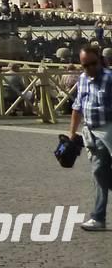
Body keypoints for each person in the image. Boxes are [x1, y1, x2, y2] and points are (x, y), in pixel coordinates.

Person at [67, 43, 112, 231]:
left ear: (100, 61)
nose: (90, 69)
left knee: (99, 171)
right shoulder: (83, 79)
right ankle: (98, 217)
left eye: (93, 64)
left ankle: (98, 217)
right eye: (85, 65)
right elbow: (77, 106)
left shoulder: (110, 78)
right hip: (90, 132)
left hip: (108, 130)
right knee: (99, 173)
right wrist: (72, 133)